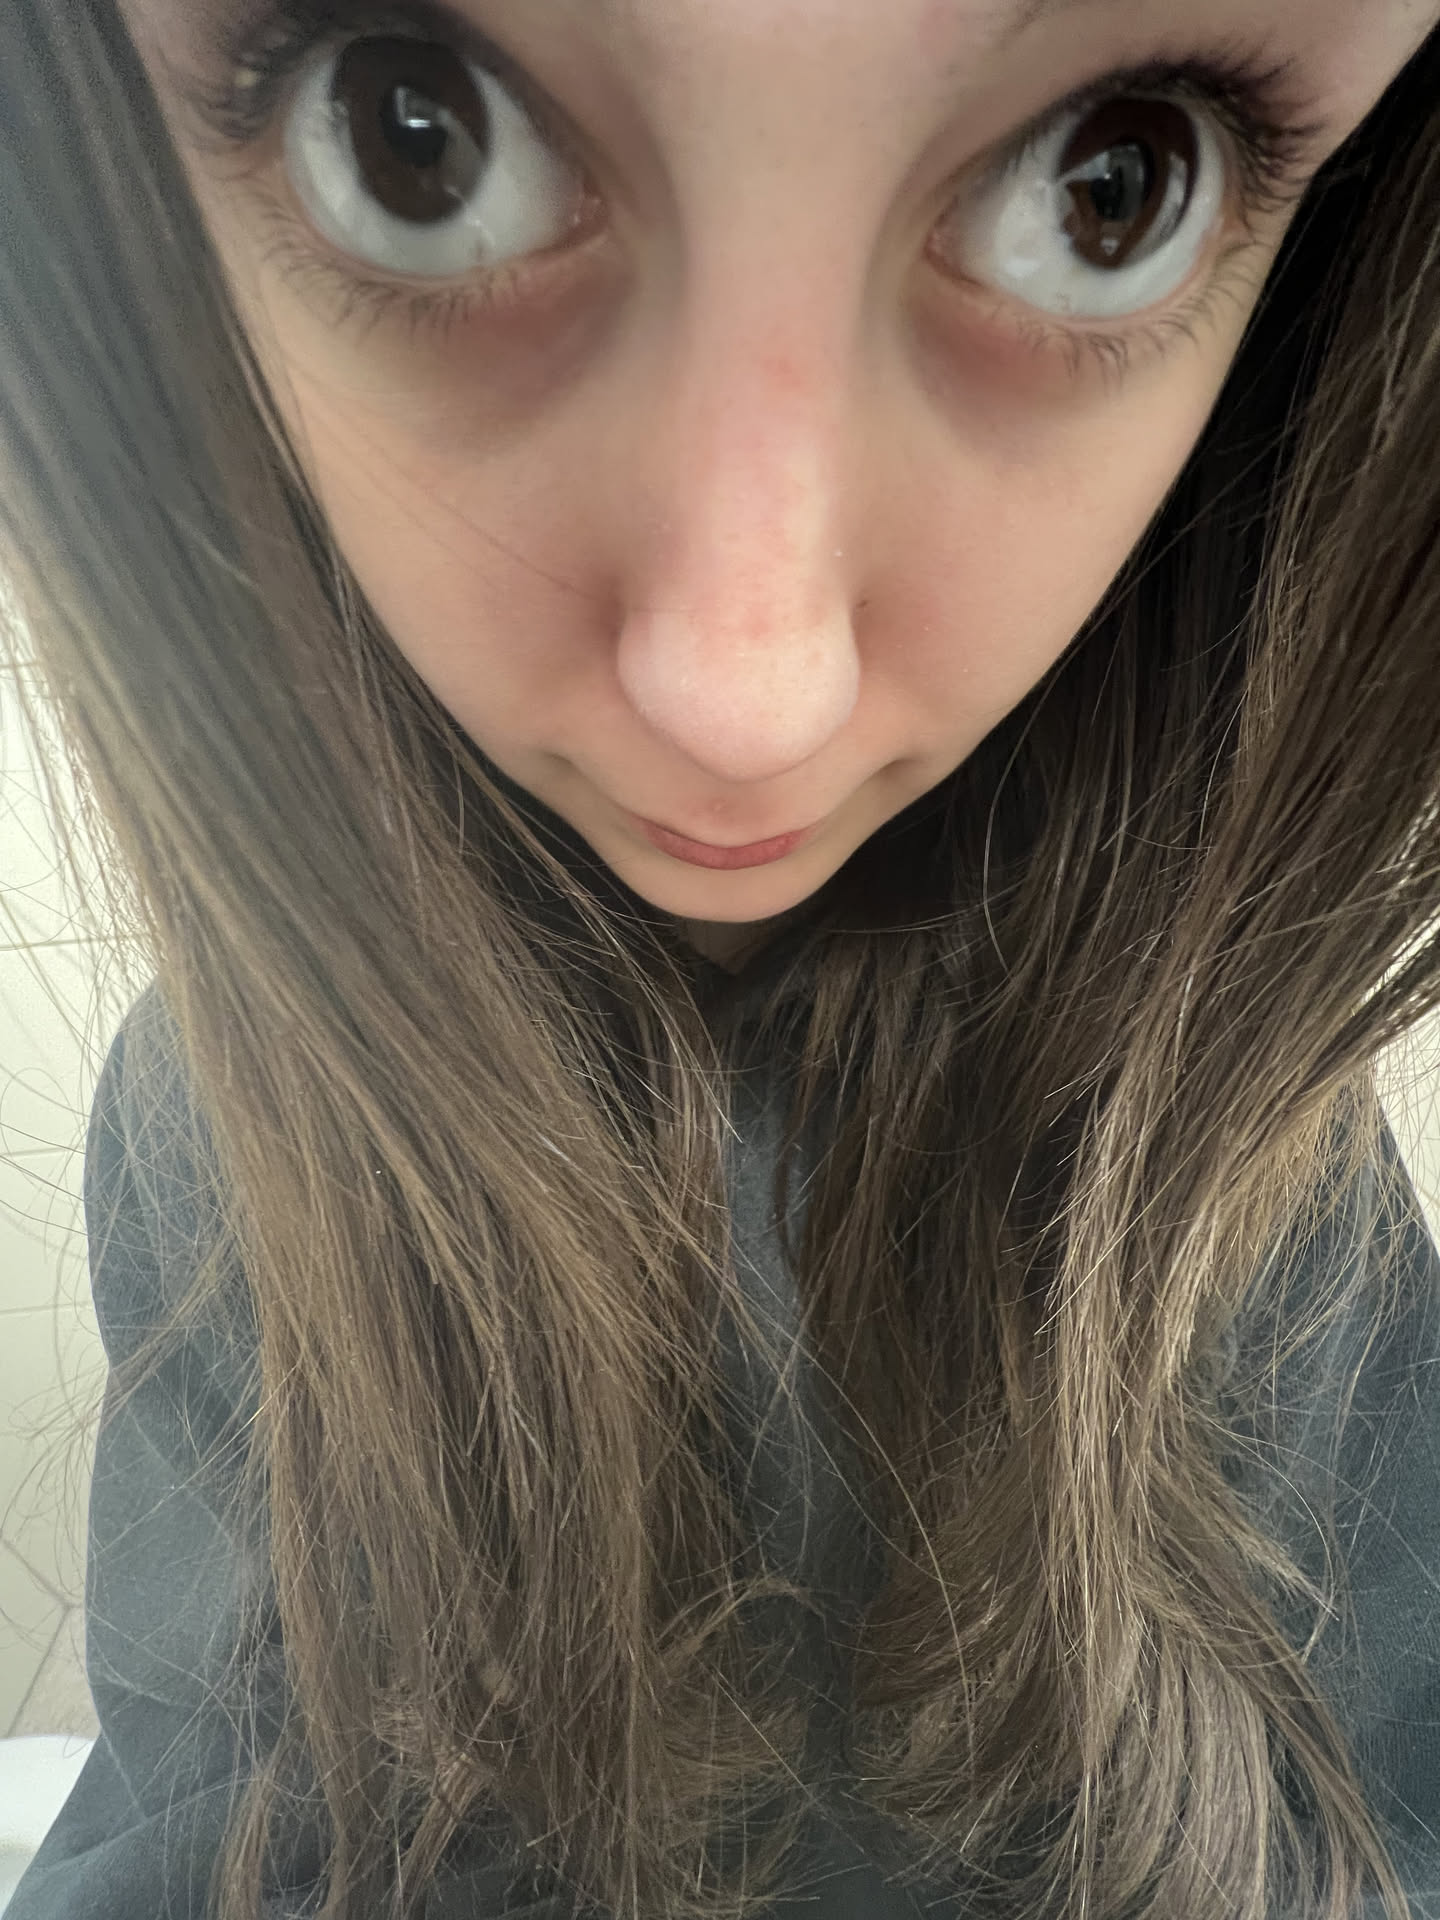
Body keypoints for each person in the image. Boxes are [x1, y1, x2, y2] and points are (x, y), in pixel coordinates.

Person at [3, 0, 1440, 1914]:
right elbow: (214, 1831)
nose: (751, 701)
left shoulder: (1256, 1141)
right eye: (417, 139)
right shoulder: (219, 1111)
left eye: (1112, 189)